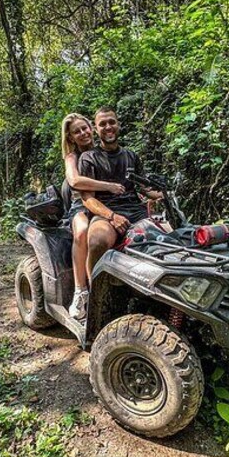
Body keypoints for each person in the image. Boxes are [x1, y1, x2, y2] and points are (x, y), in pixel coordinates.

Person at [79, 107, 161, 276]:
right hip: (105, 214)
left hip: (136, 212)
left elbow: (145, 188)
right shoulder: (89, 158)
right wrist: (112, 217)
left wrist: (161, 196)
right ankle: (93, 293)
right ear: (96, 129)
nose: (108, 127)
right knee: (97, 241)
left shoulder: (131, 156)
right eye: (103, 124)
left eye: (112, 122)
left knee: (168, 235)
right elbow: (87, 198)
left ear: (118, 125)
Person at [60, 113, 125, 320]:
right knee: (83, 231)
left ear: (92, 128)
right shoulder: (73, 157)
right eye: (76, 131)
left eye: (85, 128)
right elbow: (75, 181)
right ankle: (81, 291)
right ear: (70, 138)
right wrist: (108, 186)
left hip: (103, 204)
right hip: (80, 205)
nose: (83, 133)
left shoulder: (103, 152)